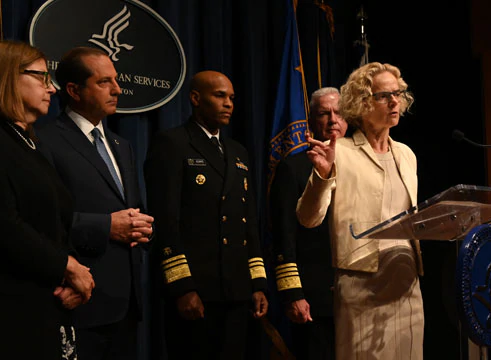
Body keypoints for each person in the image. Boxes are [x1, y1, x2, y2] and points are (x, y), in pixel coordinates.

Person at [0, 40, 94, 360]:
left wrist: (74, 275)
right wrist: (66, 266)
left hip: (42, 308)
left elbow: (56, 221)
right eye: (42, 77)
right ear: (6, 77)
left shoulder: (30, 145)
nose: (52, 89)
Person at [296, 62, 424, 359]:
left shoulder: (407, 155)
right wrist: (323, 176)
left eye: (399, 93)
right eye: (384, 95)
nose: (395, 101)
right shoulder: (340, 151)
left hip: (407, 284)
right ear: (362, 103)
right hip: (362, 287)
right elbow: (308, 217)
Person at [36, 46, 154, 360]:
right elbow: (42, 221)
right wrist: (107, 227)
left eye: (116, 80)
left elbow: (133, 210)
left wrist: (142, 229)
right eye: (104, 82)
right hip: (79, 304)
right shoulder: (45, 141)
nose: (117, 89)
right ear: (73, 90)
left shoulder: (122, 145)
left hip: (126, 307)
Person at [144, 70, 268, 360]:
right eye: (219, 95)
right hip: (197, 290)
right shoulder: (173, 143)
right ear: (196, 98)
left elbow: (249, 225)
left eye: (232, 98)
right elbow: (166, 221)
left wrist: (258, 283)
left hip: (238, 292)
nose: (229, 104)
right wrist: (182, 287)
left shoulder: (238, 153)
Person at [270, 87, 347, 359]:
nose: (332, 120)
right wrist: (293, 293)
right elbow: (284, 234)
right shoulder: (294, 168)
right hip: (315, 298)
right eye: (324, 114)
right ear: (312, 122)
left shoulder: (360, 164)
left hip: (357, 296)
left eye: (338, 112)